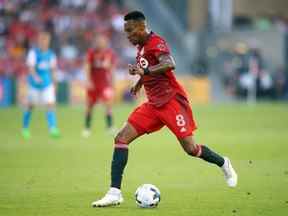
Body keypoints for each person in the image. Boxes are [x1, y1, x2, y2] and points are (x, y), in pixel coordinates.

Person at [91, 11, 238, 207]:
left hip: (171, 103)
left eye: (130, 31)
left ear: (142, 27)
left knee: (191, 149)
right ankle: (114, 192)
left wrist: (144, 71)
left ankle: (223, 163)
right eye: (126, 32)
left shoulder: (156, 42)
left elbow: (169, 63)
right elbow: (149, 68)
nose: (128, 36)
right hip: (153, 105)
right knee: (121, 138)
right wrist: (140, 82)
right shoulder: (141, 47)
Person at [21, 31, 60, 139]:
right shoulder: (33, 53)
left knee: (51, 105)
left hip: (47, 84)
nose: (45, 42)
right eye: (43, 40)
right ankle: (25, 128)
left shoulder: (51, 54)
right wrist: (35, 77)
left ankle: (53, 129)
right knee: (30, 106)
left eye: (46, 40)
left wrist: (55, 82)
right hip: (35, 85)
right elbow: (31, 68)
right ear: (39, 41)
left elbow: (53, 70)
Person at [82, 33, 117, 137]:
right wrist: (88, 80)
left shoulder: (110, 54)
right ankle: (87, 128)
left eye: (103, 42)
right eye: (100, 42)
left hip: (105, 85)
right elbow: (87, 66)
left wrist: (113, 82)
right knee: (89, 106)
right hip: (93, 84)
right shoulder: (91, 53)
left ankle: (110, 127)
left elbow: (112, 69)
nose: (101, 44)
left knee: (108, 105)